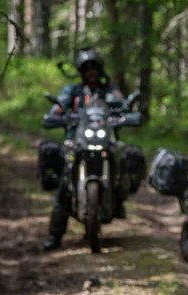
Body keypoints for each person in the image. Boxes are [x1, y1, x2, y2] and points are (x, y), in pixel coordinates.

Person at [40, 47, 145, 251]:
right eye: (87, 69)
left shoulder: (110, 91)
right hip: (77, 141)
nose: (91, 73)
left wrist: (127, 115)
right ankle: (55, 235)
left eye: (94, 68)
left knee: (130, 156)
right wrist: (57, 115)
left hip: (107, 140)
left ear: (100, 70)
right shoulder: (73, 91)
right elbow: (58, 108)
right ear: (81, 72)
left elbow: (122, 106)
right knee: (65, 184)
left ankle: (120, 196)